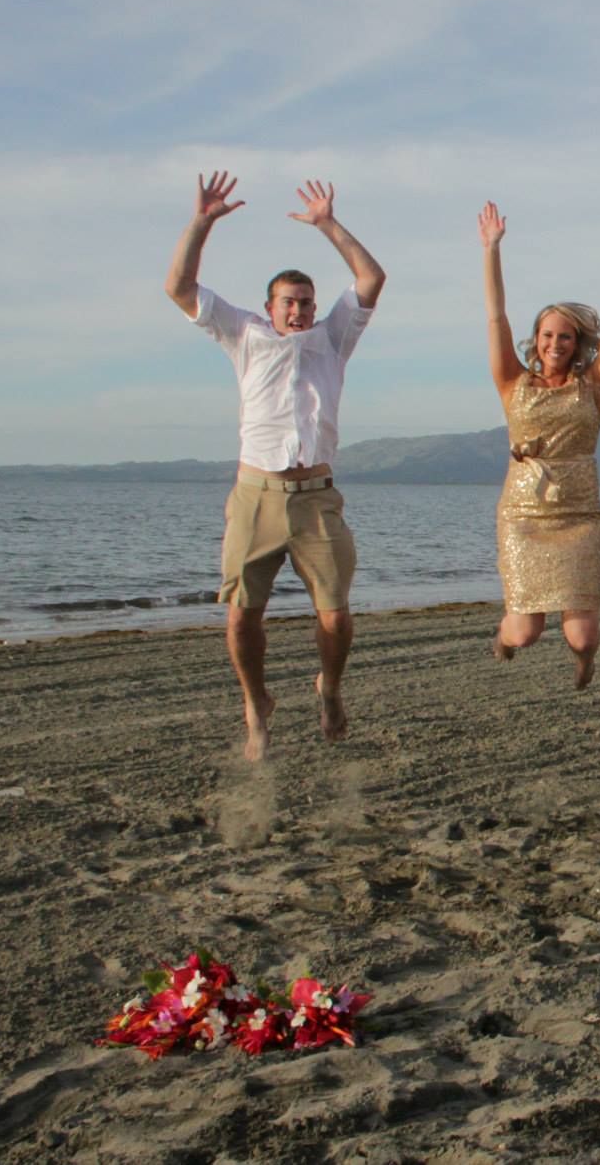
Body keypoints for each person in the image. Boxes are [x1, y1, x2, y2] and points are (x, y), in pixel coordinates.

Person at [164, 172, 386, 762]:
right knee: (241, 620)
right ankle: (256, 704)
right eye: (289, 301)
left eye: (307, 302)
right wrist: (202, 222)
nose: (299, 310)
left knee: (336, 619)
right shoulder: (244, 334)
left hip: (316, 498)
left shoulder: (333, 340)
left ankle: (329, 688)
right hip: (255, 496)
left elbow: (371, 278)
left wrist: (327, 224)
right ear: (269, 307)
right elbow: (178, 285)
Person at [480, 200, 600, 689]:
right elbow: (496, 318)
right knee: (526, 631)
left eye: (567, 337)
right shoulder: (513, 384)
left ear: (578, 344)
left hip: (580, 516)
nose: (556, 343)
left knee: (581, 635)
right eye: (548, 335)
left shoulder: (594, 386)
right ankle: (504, 638)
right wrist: (492, 249)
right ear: (535, 341)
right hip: (523, 515)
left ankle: (584, 660)